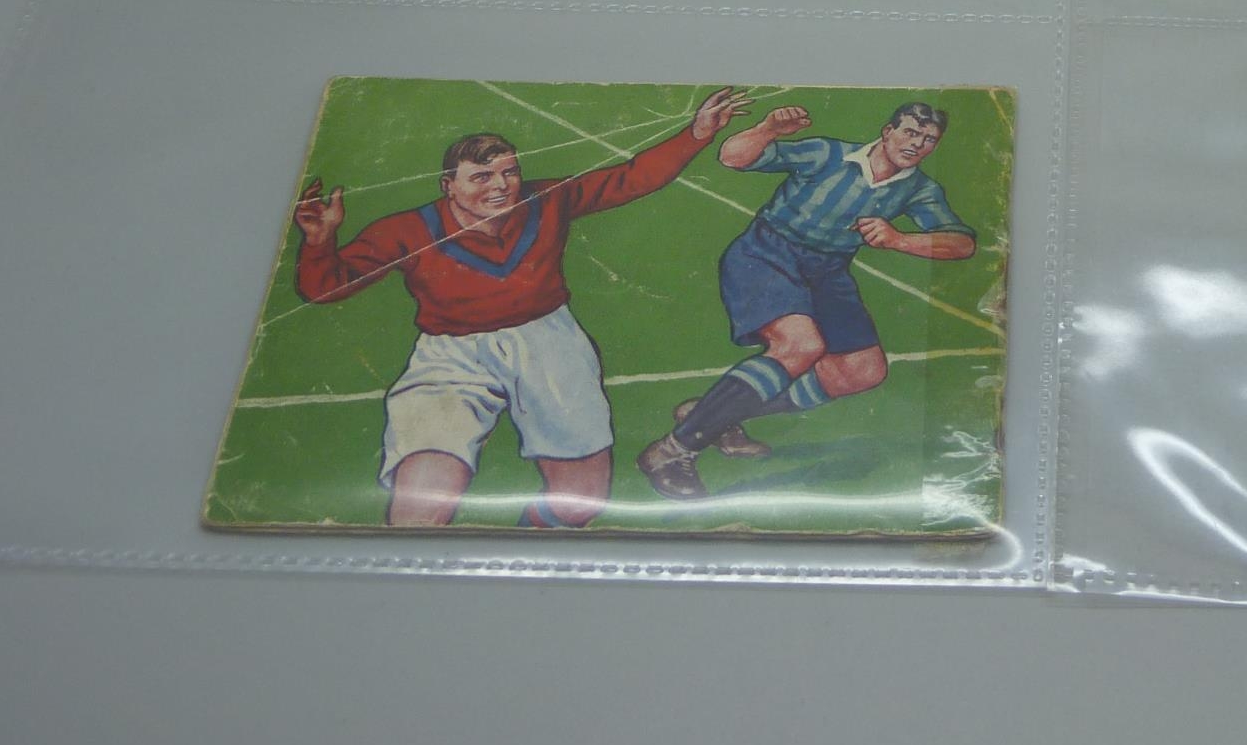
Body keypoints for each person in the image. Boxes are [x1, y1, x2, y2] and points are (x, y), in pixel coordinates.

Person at [289, 87, 747, 527]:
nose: (501, 186)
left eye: (509, 173)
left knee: (579, 503)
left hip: (549, 343)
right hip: (451, 356)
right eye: (482, 177)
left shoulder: (546, 201)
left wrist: (697, 134)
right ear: (449, 186)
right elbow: (327, 289)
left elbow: (631, 179)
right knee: (421, 502)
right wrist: (319, 242)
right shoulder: (407, 230)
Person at [637, 100, 977, 499]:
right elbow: (732, 157)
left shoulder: (919, 189)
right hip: (767, 253)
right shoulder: (828, 154)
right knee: (800, 345)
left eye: (929, 139)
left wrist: (900, 240)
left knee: (862, 370)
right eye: (910, 132)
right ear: (888, 131)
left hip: (828, 270)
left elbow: (963, 244)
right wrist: (767, 130)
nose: (917, 144)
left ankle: (713, 415)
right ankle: (671, 451)